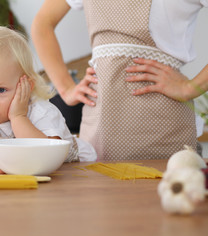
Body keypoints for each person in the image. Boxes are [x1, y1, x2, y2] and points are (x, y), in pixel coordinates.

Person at [31, 0, 208, 161]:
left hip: (164, 126)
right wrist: (66, 88)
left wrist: (190, 88)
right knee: (95, 191)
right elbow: (42, 24)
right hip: (98, 123)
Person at [0, 26, 97, 173]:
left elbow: (46, 156)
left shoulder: (41, 112)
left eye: (0, 90)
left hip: (79, 170)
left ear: (27, 86)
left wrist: (18, 117)